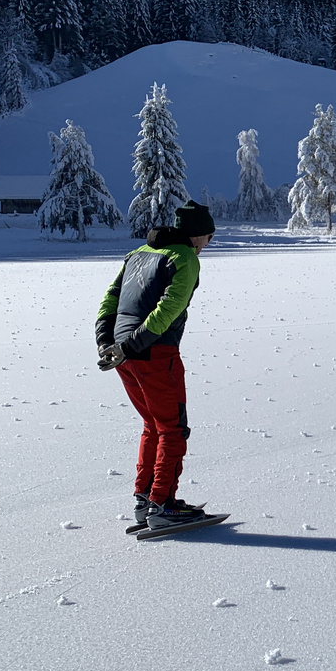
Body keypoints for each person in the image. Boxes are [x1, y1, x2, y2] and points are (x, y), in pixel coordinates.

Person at [95, 200, 216, 533]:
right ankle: (162, 505)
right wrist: (134, 343)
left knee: (153, 425)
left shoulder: (138, 253)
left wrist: (107, 342)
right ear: (197, 235)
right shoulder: (185, 257)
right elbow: (169, 308)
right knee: (172, 428)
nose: (207, 245)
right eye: (208, 238)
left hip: (123, 354)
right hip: (153, 352)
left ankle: (145, 499)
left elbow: (111, 297)